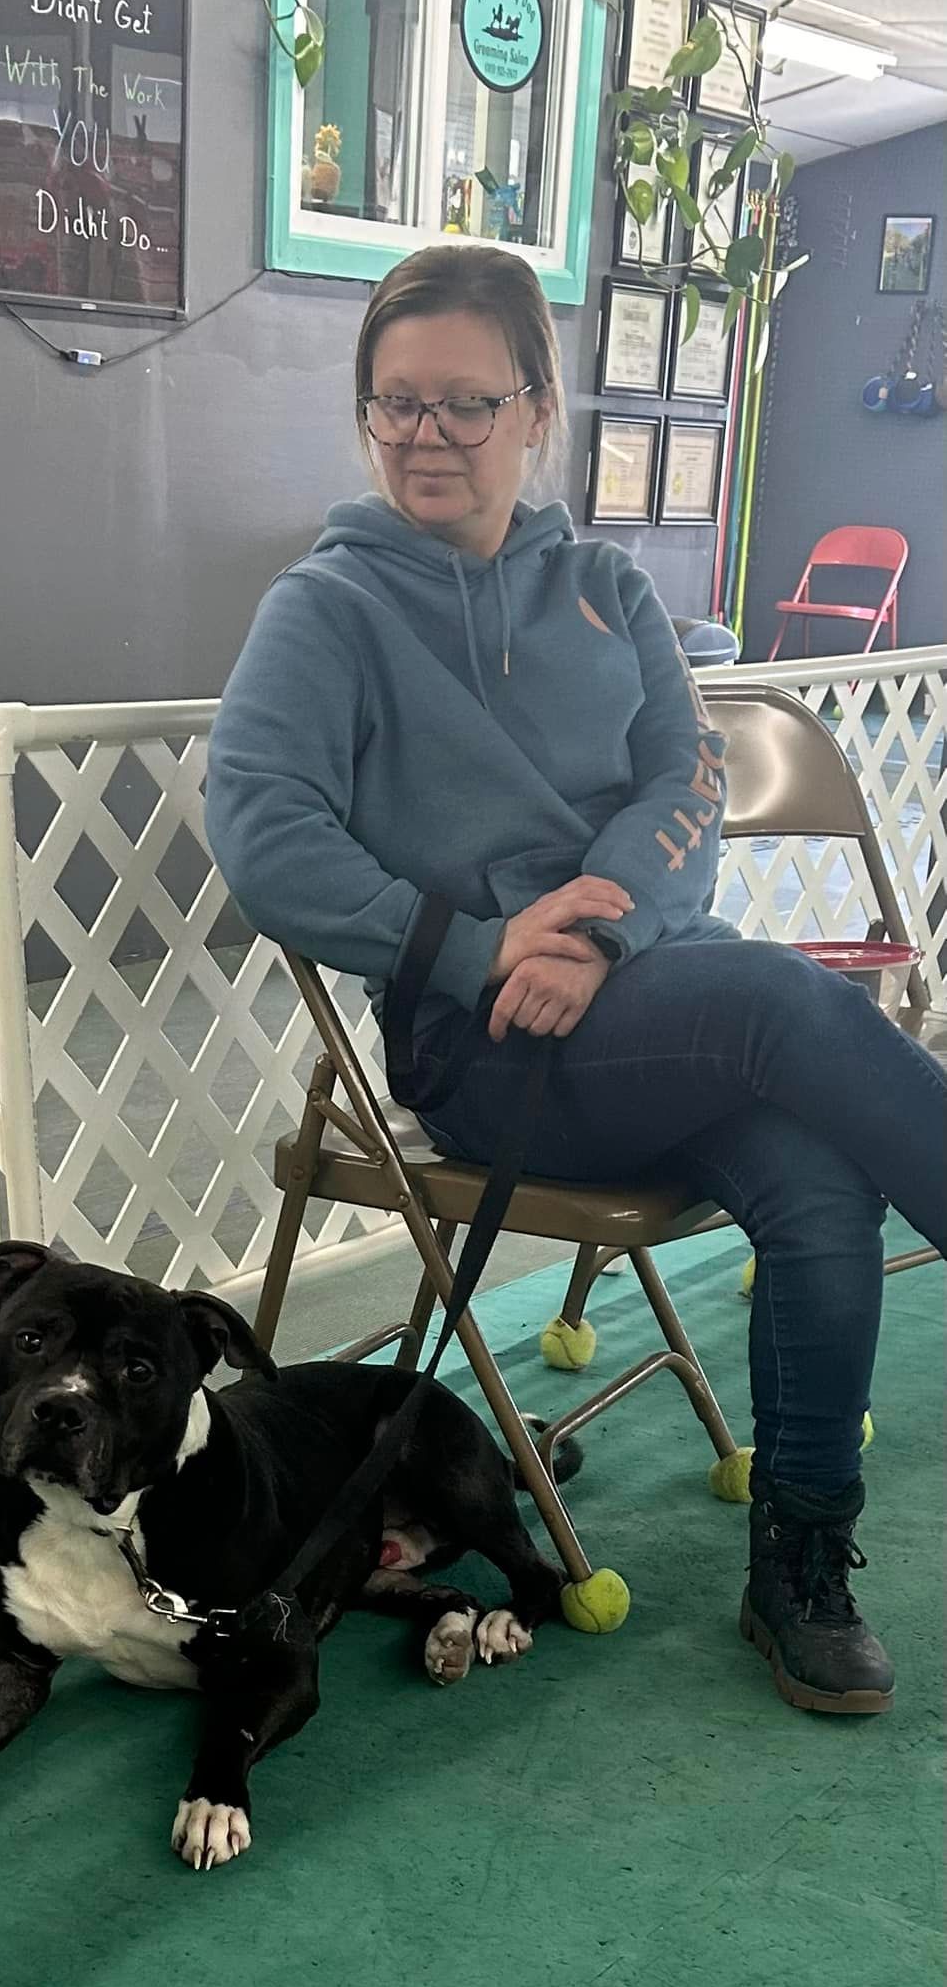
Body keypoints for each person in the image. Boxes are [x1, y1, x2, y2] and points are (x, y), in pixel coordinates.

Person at [204, 241, 947, 1716]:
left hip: (644, 999)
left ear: (538, 411)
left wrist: (601, 932)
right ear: (366, 418)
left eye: (468, 403)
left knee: (815, 1180)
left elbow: (685, 782)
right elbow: (261, 837)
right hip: (485, 1048)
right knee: (785, 1001)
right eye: (398, 405)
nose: (430, 436)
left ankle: (799, 1561)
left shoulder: (606, 585)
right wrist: (483, 946)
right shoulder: (326, 609)